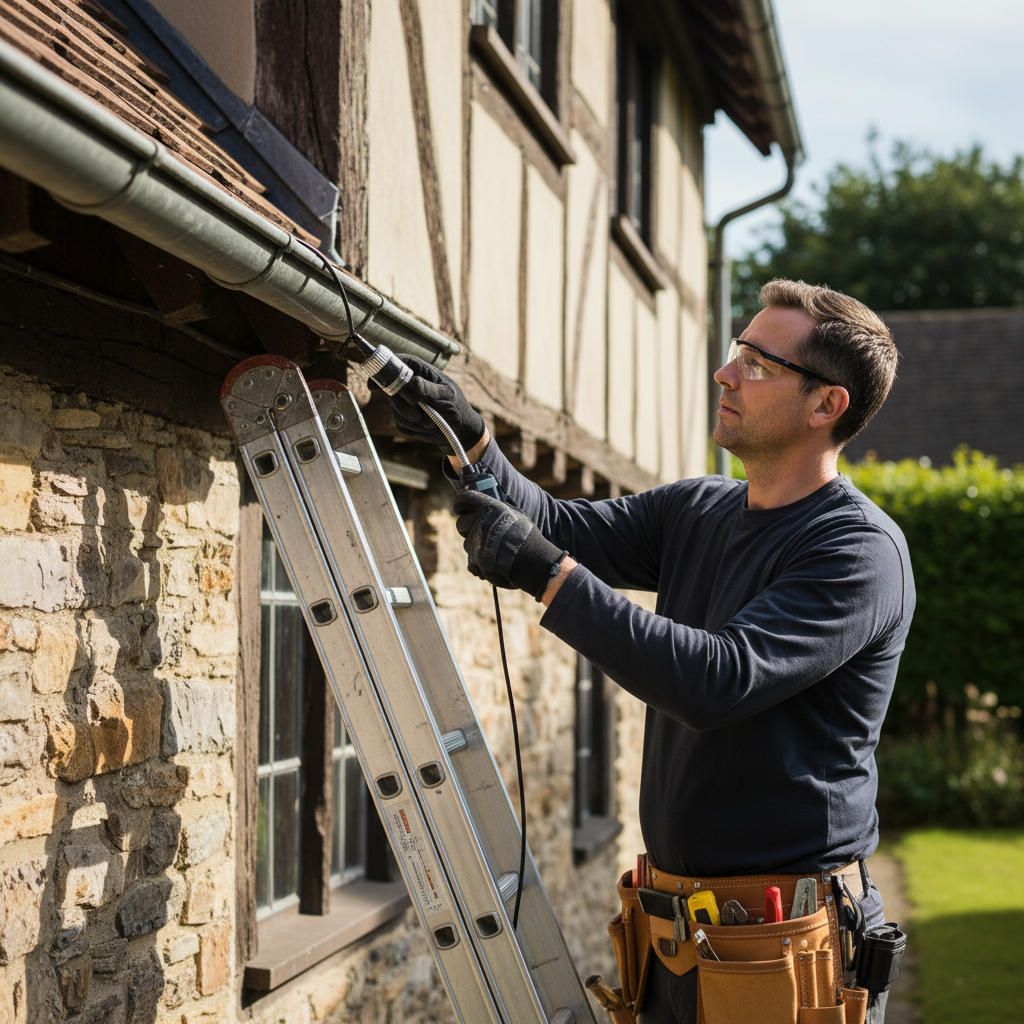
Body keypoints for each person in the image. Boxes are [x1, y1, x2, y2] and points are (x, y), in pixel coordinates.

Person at [381, 279, 915, 1024]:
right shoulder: (699, 509)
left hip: (785, 947)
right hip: (673, 935)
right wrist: (470, 441)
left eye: (758, 364)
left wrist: (548, 576)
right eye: (736, 352)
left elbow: (715, 680)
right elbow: (558, 527)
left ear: (827, 405)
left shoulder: (858, 550)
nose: (725, 374)